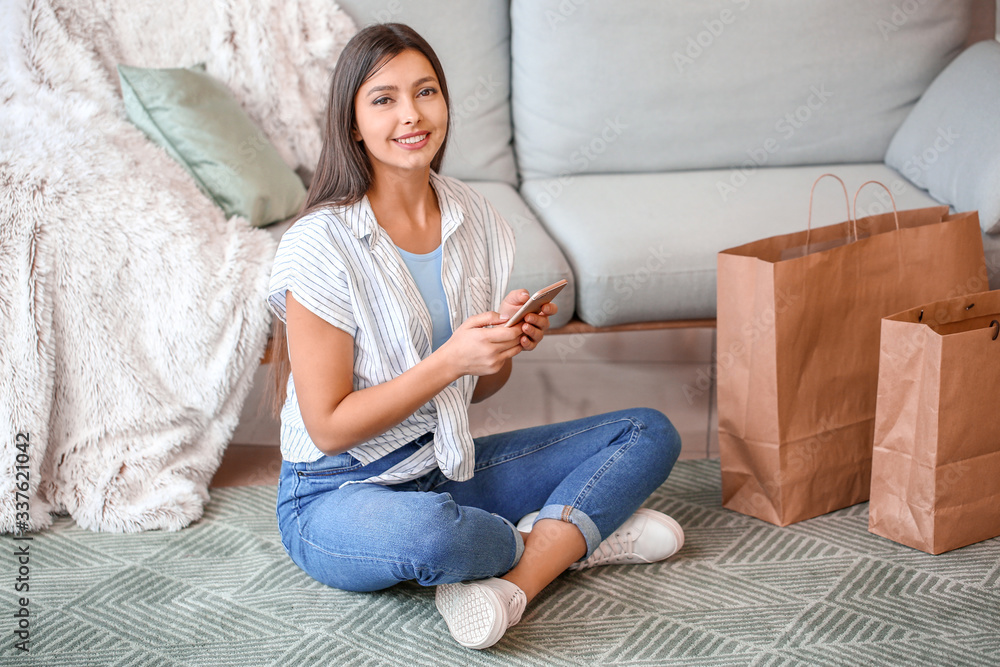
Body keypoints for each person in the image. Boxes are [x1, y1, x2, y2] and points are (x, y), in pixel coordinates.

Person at [266, 22, 684, 651]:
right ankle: (564, 538)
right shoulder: (319, 245)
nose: (411, 114)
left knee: (648, 432)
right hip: (334, 495)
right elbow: (327, 426)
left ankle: (514, 579)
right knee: (434, 536)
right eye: (383, 100)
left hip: (442, 468)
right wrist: (451, 358)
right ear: (353, 123)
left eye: (426, 91)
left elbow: (479, 390)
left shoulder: (474, 218)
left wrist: (500, 345)